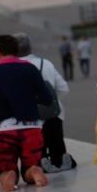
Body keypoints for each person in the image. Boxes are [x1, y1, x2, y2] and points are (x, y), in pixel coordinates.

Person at [0, 34, 53, 192]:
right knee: (31, 164)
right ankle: (34, 172)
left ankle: (9, 176)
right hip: (32, 127)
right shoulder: (30, 69)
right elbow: (46, 98)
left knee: (6, 166)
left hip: (4, 130)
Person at [15, 33, 74, 172]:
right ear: (30, 47)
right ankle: (59, 162)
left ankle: (41, 165)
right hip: (53, 112)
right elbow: (63, 88)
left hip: (30, 118)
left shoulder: (14, 68)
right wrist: (51, 100)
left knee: (36, 151)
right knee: (58, 150)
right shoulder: (45, 63)